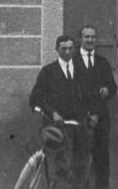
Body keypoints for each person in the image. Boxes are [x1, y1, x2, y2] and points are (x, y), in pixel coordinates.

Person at [30, 35, 91, 187]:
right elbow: (35, 99)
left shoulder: (82, 70)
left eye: (71, 48)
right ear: (57, 49)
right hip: (58, 129)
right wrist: (53, 113)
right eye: (63, 48)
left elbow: (90, 95)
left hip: (79, 128)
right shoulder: (48, 72)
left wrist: (90, 114)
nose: (67, 52)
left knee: (80, 168)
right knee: (60, 169)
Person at [73, 24, 118, 189]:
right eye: (87, 37)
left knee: (101, 159)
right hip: (80, 117)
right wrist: (85, 114)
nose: (90, 40)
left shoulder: (102, 62)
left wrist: (108, 90)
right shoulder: (73, 62)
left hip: (101, 118)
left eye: (93, 37)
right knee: (79, 158)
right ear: (81, 39)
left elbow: (113, 87)